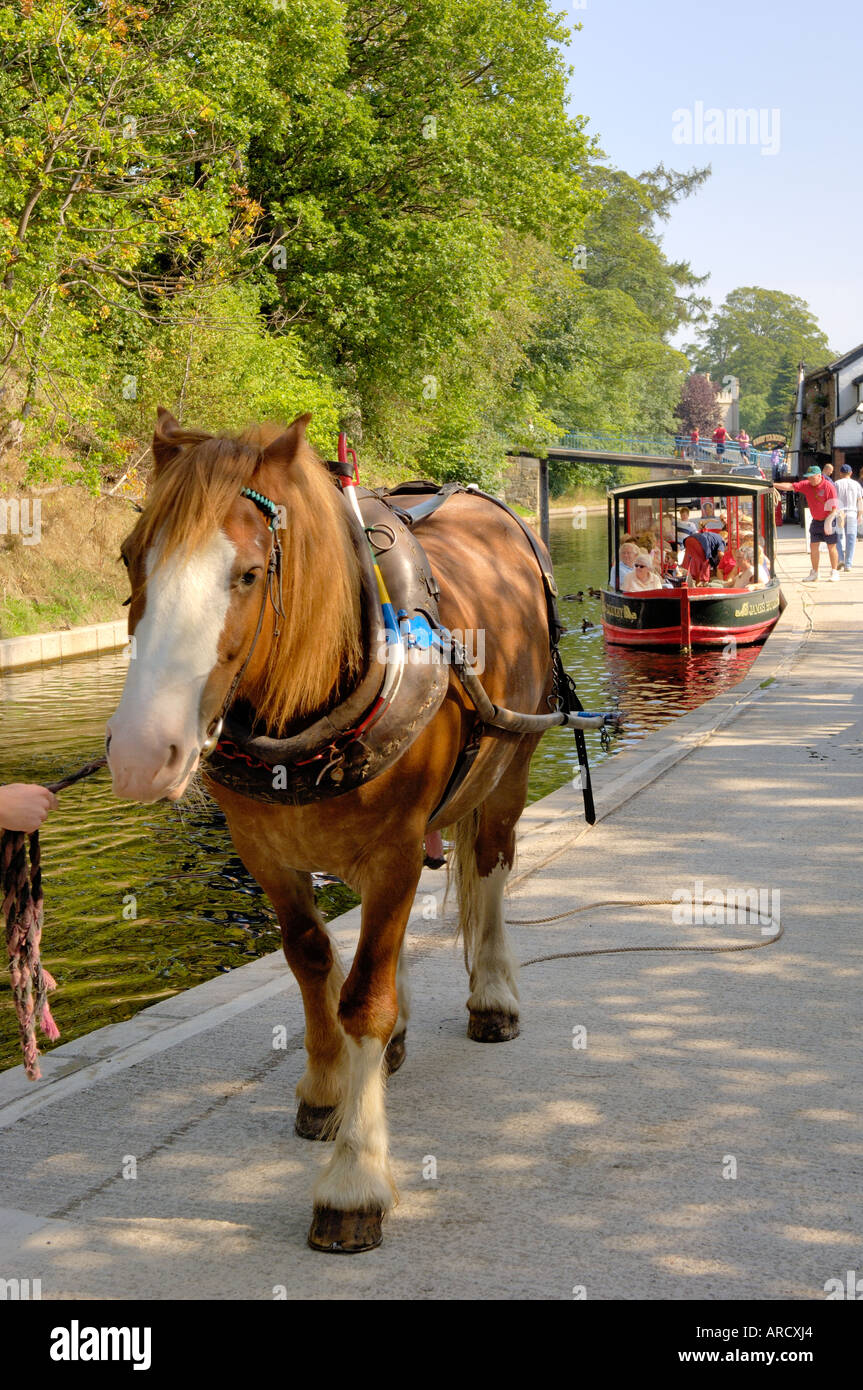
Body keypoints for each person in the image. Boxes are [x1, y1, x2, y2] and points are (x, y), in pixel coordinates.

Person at [774, 465, 841, 582]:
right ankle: (815, 572)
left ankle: (835, 572)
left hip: (829, 519)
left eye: (812, 477)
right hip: (816, 520)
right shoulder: (806, 485)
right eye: (808, 477)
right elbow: (790, 486)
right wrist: (773, 485)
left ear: (819, 476)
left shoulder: (828, 486)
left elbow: (834, 507)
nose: (809, 479)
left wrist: (829, 522)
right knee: (813, 546)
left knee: (831, 547)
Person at [834, 463, 863, 571]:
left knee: (838, 538)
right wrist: (860, 515)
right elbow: (860, 501)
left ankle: (840, 558)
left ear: (840, 473)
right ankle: (848, 564)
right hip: (852, 513)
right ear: (851, 473)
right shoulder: (856, 484)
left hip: (840, 514)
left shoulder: (836, 483)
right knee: (851, 539)